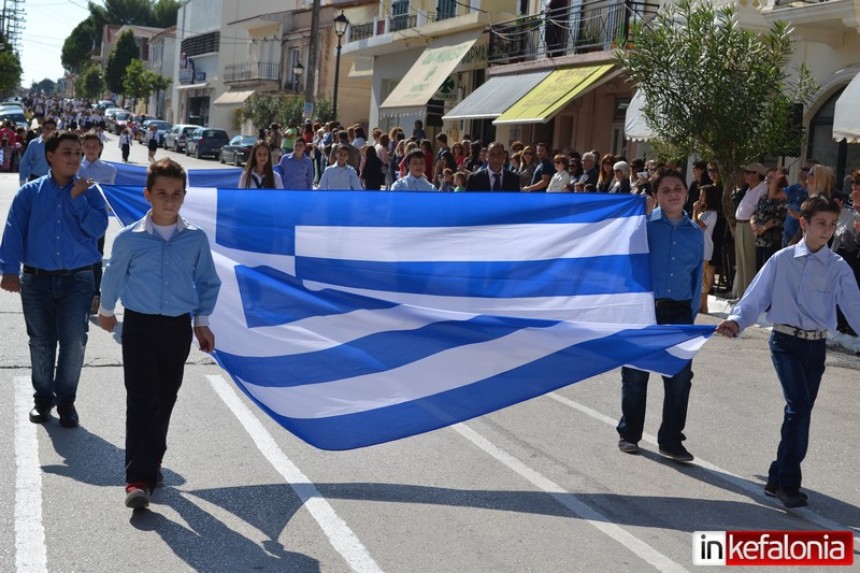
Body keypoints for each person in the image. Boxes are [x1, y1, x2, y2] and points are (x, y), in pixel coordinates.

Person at [716, 195, 860, 508]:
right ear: (804, 224)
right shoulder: (782, 260)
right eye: (821, 223)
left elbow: (855, 307)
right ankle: (789, 485)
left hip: (816, 347)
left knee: (799, 411)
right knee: (799, 407)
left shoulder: (837, 267)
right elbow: (756, 296)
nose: (827, 229)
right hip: (785, 343)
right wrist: (736, 321)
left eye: (832, 224)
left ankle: (775, 475)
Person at [97, 158, 221, 509]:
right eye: (162, 193)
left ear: (184, 197)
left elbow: (208, 282)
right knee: (140, 400)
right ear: (148, 194)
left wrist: (202, 322)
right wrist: (107, 313)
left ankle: (152, 460)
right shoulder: (129, 239)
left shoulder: (195, 239)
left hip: (177, 328)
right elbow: (113, 277)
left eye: (176, 194)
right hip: (139, 326)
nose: (169, 200)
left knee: (164, 399)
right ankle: (137, 480)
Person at [0, 130, 109, 428]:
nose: (75, 158)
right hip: (37, 282)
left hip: (78, 280)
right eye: (67, 152)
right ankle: (43, 399)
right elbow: (13, 230)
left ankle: (66, 402)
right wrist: (9, 269)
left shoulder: (89, 192)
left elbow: (98, 229)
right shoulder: (29, 193)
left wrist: (78, 201)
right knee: (41, 342)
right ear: (50, 156)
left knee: (74, 341)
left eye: (77, 153)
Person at [617, 168, 704, 462]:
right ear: (655, 196)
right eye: (665, 190)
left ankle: (671, 440)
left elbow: (695, 281)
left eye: (678, 188)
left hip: (679, 311)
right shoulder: (643, 228)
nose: (673, 194)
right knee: (635, 375)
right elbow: (627, 256)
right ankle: (629, 434)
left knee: (680, 377)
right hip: (644, 309)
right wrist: (639, 215)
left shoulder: (695, 234)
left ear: (686, 193)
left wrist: (690, 319)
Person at [79, 132, 117, 314]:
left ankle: (95, 294)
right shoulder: (75, 168)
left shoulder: (109, 170)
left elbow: (110, 198)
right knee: (78, 254)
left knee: (96, 255)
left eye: (94, 146)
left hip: (97, 220)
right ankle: (78, 293)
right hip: (76, 219)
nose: (91, 150)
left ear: (100, 148)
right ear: (82, 148)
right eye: (87, 146)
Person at [733, 163, 768, 299]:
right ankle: (741, 295)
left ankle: (748, 297)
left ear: (757, 174)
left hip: (749, 226)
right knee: (741, 262)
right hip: (741, 225)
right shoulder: (749, 189)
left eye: (749, 172)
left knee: (748, 261)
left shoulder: (762, 188)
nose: (745, 175)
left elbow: (758, 210)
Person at [692, 184, 721, 314]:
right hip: (698, 248)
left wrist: (695, 211)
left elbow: (698, 226)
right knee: (698, 277)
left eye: (703, 195)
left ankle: (703, 305)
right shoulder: (705, 212)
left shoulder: (710, 213)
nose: (700, 198)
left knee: (702, 278)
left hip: (704, 249)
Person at [750, 171, 788, 270]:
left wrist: (764, 227)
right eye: (767, 177)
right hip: (760, 240)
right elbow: (754, 213)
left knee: (769, 270)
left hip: (773, 241)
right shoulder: (763, 197)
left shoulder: (782, 198)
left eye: (771, 177)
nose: (767, 179)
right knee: (758, 270)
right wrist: (754, 224)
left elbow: (780, 218)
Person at [18, 118, 56, 183]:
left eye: (52, 129)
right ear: (43, 128)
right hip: (35, 179)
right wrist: (22, 180)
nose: (50, 131)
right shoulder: (34, 144)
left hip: (53, 180)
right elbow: (25, 162)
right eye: (47, 128)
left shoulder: (58, 144)